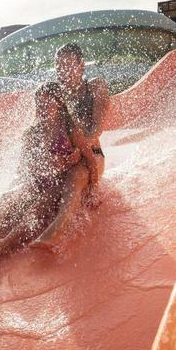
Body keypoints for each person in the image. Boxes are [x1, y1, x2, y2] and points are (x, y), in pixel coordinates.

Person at [0, 83, 83, 265]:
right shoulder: (32, 133)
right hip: (38, 181)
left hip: (60, 185)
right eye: (40, 104)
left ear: (60, 104)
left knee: (36, 208)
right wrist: (40, 169)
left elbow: (85, 158)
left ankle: (1, 246)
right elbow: (23, 168)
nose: (43, 109)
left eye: (48, 104)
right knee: (8, 198)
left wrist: (76, 160)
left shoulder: (70, 130)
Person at [30, 43, 109, 249]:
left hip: (91, 156)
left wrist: (78, 144)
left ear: (81, 66)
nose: (62, 71)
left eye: (67, 65)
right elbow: (42, 130)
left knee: (76, 174)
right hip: (65, 159)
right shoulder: (55, 95)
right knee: (36, 191)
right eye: (58, 67)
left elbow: (97, 128)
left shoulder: (95, 87)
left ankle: (55, 232)